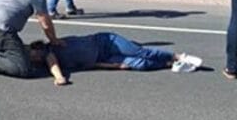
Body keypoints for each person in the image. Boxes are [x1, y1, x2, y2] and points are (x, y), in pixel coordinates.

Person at [28, 34, 202, 86]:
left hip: (106, 41)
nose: (35, 58)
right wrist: (113, 66)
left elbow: (51, 60)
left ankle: (178, 56)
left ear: (38, 47)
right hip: (104, 57)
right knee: (136, 65)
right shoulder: (63, 63)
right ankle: (169, 64)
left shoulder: (53, 46)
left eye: (33, 54)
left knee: (141, 52)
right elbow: (90, 65)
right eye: (34, 59)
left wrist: (59, 78)